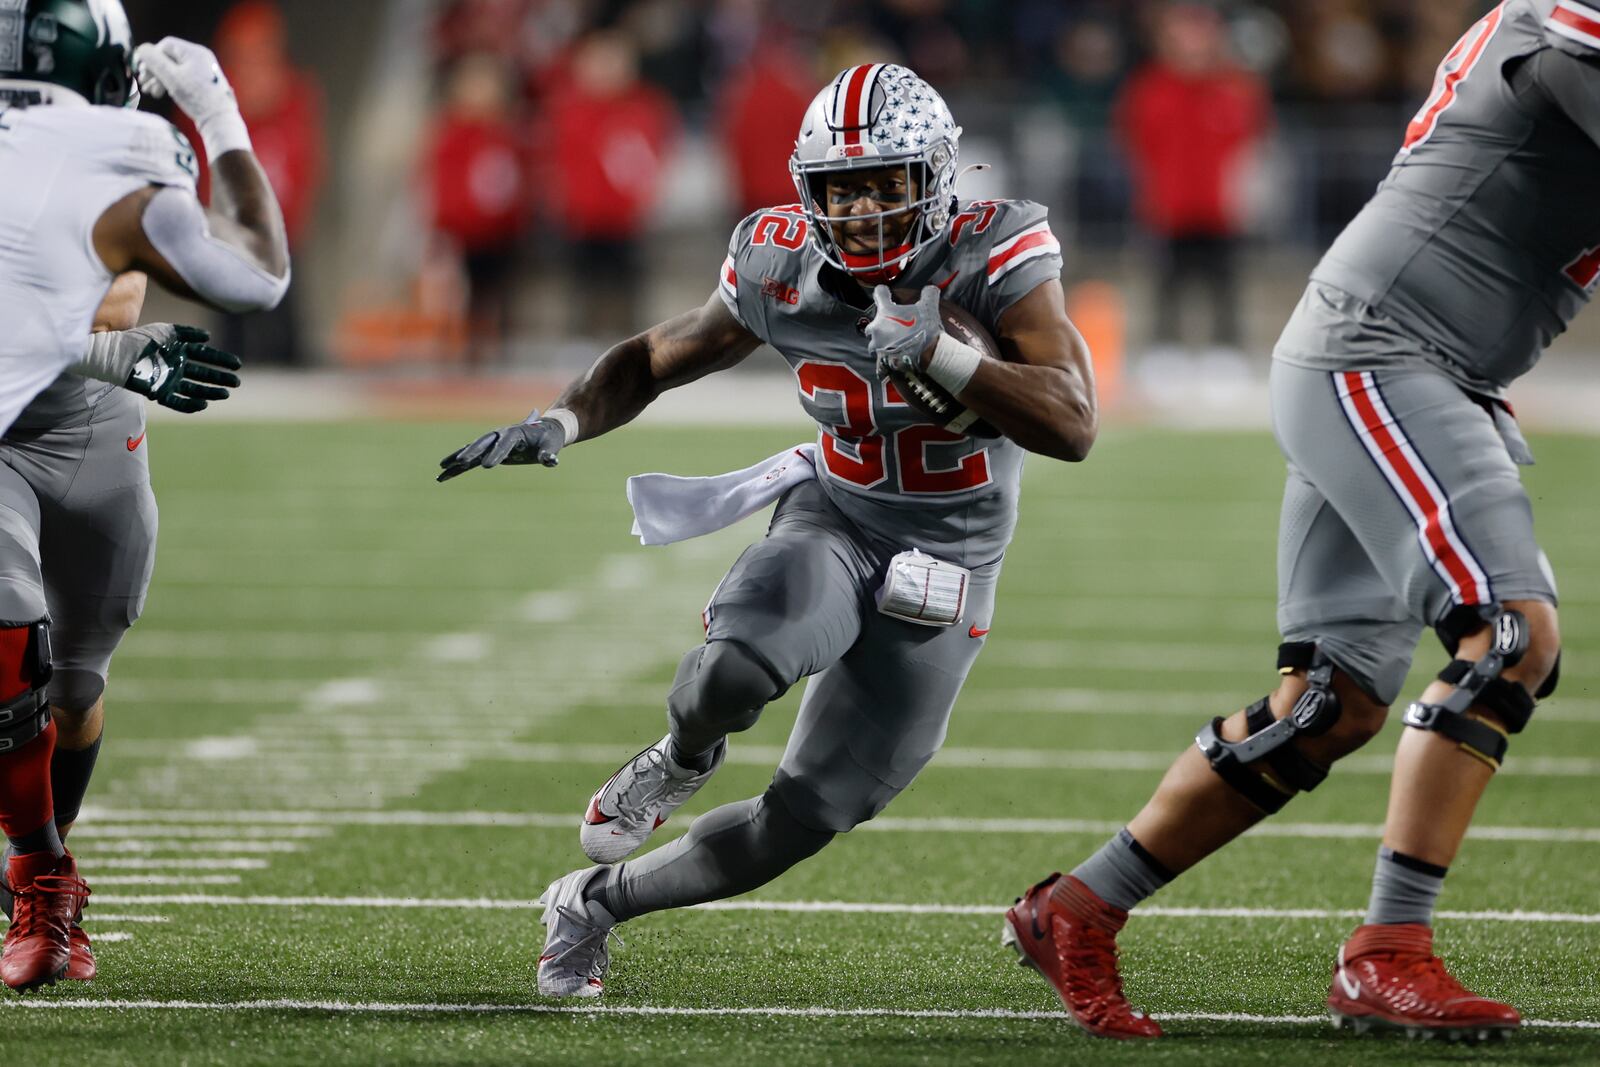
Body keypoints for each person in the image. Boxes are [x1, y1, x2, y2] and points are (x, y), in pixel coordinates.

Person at [439, 62, 1093, 997]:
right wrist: (560, 420)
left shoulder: (997, 253)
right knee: (733, 668)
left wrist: (943, 353)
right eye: (842, 189)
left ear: (938, 176)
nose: (863, 210)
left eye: (885, 184)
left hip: (949, 563)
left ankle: (592, 902)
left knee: (808, 813)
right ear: (807, 192)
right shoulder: (778, 259)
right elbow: (656, 355)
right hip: (840, 513)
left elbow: (1073, 421)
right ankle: (680, 756)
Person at [1005, 0, 1584, 1041]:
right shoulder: (1557, 29)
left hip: (1400, 361)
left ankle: (1076, 904)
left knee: (1331, 701)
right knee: (1509, 635)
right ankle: (1388, 951)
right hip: (1386, 351)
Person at [0, 0, 290, 993]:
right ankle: (42, 870)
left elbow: (104, 290)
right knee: (10, 644)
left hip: (86, 428)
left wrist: (108, 348)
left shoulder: (106, 147)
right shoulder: (108, 138)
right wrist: (219, 119)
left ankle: (41, 864)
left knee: (75, 686)